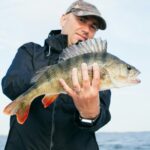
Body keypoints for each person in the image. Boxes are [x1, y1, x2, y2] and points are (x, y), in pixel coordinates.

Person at [2, 0, 111, 150]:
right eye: (82, 20)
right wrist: (49, 82)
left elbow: (101, 118)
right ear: (64, 19)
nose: (86, 29)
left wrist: (90, 114)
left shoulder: (96, 67)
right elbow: (10, 85)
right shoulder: (31, 51)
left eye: (93, 27)